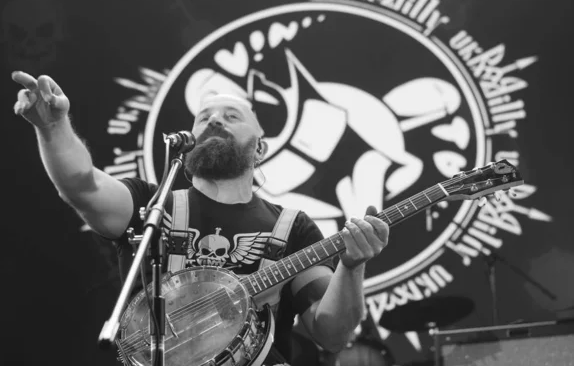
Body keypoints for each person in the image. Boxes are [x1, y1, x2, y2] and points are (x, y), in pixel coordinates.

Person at [11, 71, 390, 366]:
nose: (214, 121)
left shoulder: (294, 227)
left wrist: (352, 266)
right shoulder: (151, 203)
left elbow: (332, 333)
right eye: (204, 117)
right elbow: (82, 187)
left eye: (231, 116)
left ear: (259, 147)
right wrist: (52, 126)